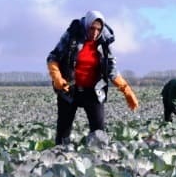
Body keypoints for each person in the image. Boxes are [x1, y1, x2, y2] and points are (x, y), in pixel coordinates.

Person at [46, 10, 139, 146]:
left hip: (94, 92)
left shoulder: (104, 42)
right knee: (63, 131)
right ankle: (60, 155)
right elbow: (53, 57)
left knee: (98, 131)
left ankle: (97, 159)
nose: (95, 32)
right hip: (69, 89)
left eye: (98, 29)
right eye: (92, 28)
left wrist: (127, 90)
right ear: (87, 25)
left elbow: (111, 69)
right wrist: (57, 77)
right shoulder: (72, 35)